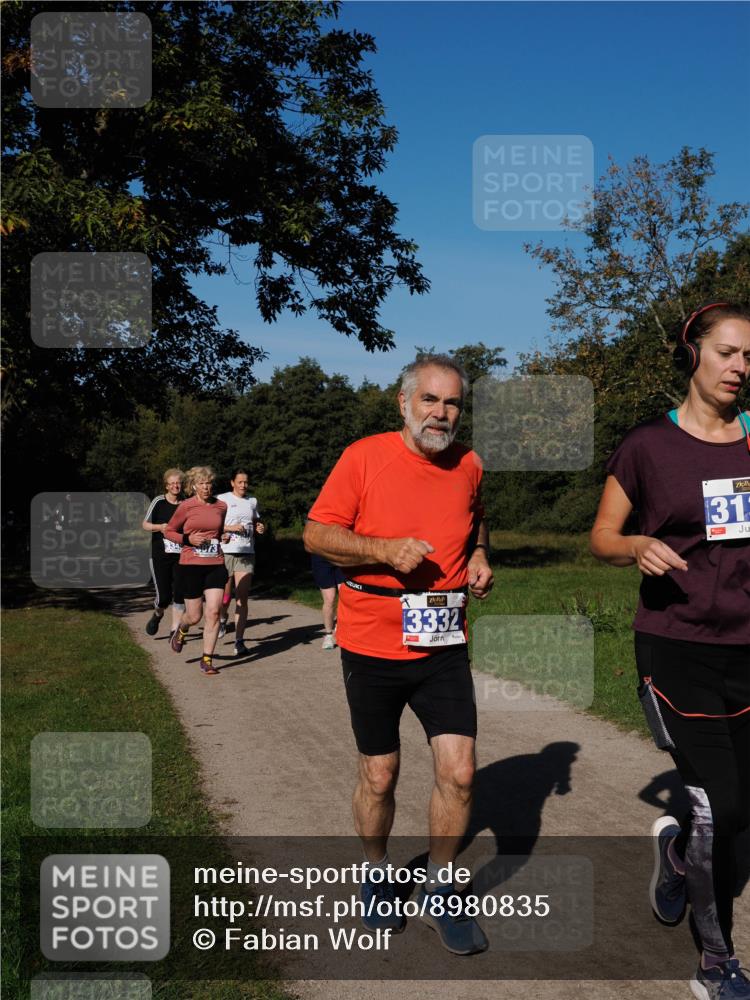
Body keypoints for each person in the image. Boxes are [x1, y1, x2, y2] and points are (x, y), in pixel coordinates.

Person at [303, 354, 493, 955]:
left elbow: (478, 519)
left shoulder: (469, 463)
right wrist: (384, 550)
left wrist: (482, 557)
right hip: (372, 638)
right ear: (404, 403)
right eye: (430, 400)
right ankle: (378, 870)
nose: (441, 414)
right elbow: (316, 534)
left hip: (442, 639)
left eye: (453, 403)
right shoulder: (364, 457)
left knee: (459, 770)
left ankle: (440, 890)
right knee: (380, 775)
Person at [590, 303, 750, 1000]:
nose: (740, 368)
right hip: (675, 645)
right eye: (727, 352)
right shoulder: (647, 446)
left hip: (747, 645)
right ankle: (716, 961)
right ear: (693, 354)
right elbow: (602, 534)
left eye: (749, 357)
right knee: (720, 801)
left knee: (743, 803)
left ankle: (679, 853)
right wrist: (634, 546)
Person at [165, 466, 229, 676]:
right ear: (193, 486)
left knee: (213, 612)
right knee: (194, 616)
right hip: (191, 565)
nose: (206, 487)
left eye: (208, 483)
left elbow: (218, 532)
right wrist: (188, 539)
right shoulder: (186, 506)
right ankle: (181, 630)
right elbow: (169, 531)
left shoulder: (221, 506)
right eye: (201, 483)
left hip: (215, 564)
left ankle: (206, 659)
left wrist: (222, 538)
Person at [216, 469, 264, 656]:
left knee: (242, 598)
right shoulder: (222, 499)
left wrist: (260, 527)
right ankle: (222, 618)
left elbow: (256, 520)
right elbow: (213, 523)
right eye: (240, 482)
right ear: (232, 483)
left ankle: (239, 640)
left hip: (246, 553)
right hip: (226, 552)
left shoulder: (252, 502)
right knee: (225, 597)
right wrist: (228, 529)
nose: (244, 485)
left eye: (246, 482)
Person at [142, 469, 185, 639]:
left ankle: (175, 632)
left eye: (178, 482)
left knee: (180, 592)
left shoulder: (186, 503)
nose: (176, 486)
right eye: (172, 483)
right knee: (164, 597)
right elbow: (145, 524)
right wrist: (160, 527)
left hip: (181, 554)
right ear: (166, 486)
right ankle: (158, 614)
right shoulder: (158, 502)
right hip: (160, 555)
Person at [311, 554, 344, 650]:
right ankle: (329, 635)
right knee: (330, 599)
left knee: (345, 595)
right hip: (321, 558)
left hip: (342, 556)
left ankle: (340, 625)